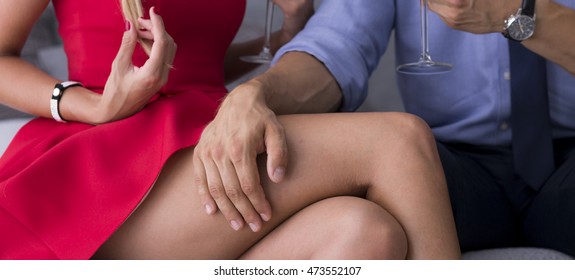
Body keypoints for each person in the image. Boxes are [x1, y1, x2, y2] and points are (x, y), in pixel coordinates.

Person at [0, 0, 460, 259]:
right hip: (108, 161)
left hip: (205, 130)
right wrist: (91, 105)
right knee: (399, 141)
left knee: (365, 232)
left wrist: (286, 33)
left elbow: (187, 63)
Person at [194, 0, 575, 257]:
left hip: (568, 160)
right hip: (453, 166)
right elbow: (335, 46)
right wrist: (258, 92)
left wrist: (522, 15)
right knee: (350, 164)